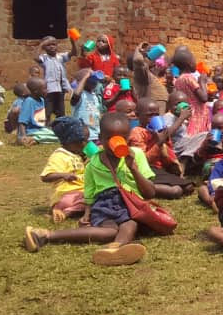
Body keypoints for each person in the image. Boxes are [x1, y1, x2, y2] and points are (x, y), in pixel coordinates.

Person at [22, 112, 156, 266]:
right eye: (110, 139)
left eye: (123, 138)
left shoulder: (137, 155)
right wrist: (87, 213)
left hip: (131, 202)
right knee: (109, 231)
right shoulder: (93, 163)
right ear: (100, 137)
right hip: (105, 202)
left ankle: (115, 248)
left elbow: (150, 192)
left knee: (130, 223)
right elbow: (90, 193)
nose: (117, 143)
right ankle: (45, 235)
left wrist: (133, 168)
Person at [129, 98, 194, 199]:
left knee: (189, 187)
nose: (153, 118)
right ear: (138, 115)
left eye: (156, 115)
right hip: (148, 170)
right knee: (176, 191)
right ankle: (144, 186)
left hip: (160, 169)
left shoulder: (158, 131)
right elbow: (143, 161)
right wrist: (159, 142)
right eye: (149, 115)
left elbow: (168, 154)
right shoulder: (137, 132)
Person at [40, 116, 89, 223]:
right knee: (85, 202)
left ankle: (63, 211)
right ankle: (63, 212)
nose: (85, 144)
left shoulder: (78, 154)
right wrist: (63, 175)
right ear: (70, 141)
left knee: (92, 199)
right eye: (82, 141)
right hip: (65, 194)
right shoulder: (59, 156)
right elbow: (45, 176)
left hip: (81, 191)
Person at [171, 49, 211, 135]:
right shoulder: (189, 78)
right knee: (199, 137)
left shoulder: (178, 80)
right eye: (194, 61)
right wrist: (202, 82)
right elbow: (204, 98)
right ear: (189, 63)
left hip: (190, 113)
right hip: (198, 113)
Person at [36, 36, 74, 122]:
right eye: (48, 45)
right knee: (47, 110)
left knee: (60, 111)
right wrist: (41, 45)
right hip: (49, 88)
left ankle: (59, 125)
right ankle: (46, 125)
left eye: (54, 44)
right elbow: (35, 58)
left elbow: (73, 53)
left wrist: (73, 42)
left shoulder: (61, 57)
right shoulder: (44, 58)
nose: (52, 46)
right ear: (44, 47)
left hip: (60, 88)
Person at [17, 78, 58, 145]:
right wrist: (23, 136)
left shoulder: (42, 100)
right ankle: (32, 139)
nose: (47, 90)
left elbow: (41, 119)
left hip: (41, 130)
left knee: (59, 133)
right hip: (31, 131)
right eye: (45, 88)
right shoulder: (29, 101)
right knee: (58, 137)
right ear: (36, 91)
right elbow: (22, 122)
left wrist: (48, 127)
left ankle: (36, 139)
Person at [70, 69, 105, 142]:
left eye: (95, 81)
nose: (94, 83)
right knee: (89, 152)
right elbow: (76, 95)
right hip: (83, 134)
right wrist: (85, 77)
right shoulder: (80, 95)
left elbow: (97, 113)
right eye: (90, 80)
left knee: (97, 152)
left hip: (96, 133)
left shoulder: (94, 95)